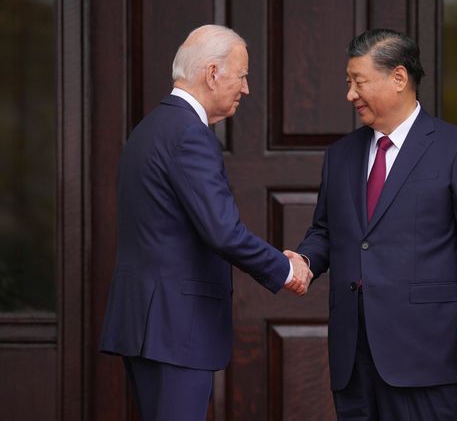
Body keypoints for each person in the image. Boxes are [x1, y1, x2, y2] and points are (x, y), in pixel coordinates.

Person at [99, 24, 312, 421]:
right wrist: (286, 269)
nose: (246, 89)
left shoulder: (150, 129)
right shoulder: (189, 135)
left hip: (148, 324)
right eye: (242, 75)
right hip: (174, 327)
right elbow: (223, 231)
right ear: (213, 73)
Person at [289, 29, 457, 420]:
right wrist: (303, 260)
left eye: (358, 82)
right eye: (348, 83)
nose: (350, 94)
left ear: (399, 78)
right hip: (353, 356)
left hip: (426, 352)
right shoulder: (341, 155)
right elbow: (325, 231)